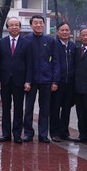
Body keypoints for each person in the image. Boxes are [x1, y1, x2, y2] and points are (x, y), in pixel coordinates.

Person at [23, 15, 60, 143]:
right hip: (31, 79)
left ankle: (43, 134)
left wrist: (55, 80)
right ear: (31, 25)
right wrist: (26, 80)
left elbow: (55, 61)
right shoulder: (26, 40)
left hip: (46, 79)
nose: (38, 25)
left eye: (41, 23)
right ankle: (28, 133)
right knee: (28, 108)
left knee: (44, 108)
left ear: (44, 25)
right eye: (36, 23)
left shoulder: (50, 40)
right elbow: (24, 62)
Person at [0, 17, 32, 143]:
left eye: (16, 25)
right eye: (11, 25)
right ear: (7, 27)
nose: (14, 27)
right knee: (5, 108)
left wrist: (28, 81)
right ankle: (5, 134)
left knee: (18, 108)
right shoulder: (1, 43)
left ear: (20, 27)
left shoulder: (26, 43)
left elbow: (29, 64)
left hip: (20, 81)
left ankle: (17, 134)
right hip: (5, 81)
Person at [49, 22, 76, 142]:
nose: (65, 32)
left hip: (69, 82)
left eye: (67, 30)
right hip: (57, 82)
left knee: (67, 108)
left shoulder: (73, 46)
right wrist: (54, 81)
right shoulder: (53, 45)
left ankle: (64, 132)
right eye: (62, 30)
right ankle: (54, 132)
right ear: (57, 32)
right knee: (55, 108)